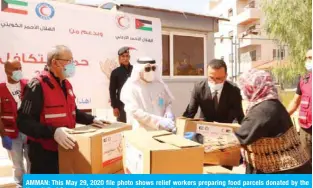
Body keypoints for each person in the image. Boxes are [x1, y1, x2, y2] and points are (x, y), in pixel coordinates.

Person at [17, 45, 105, 174]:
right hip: (44, 153)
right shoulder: (37, 85)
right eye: (69, 61)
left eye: (72, 61)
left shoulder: (66, 84)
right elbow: (23, 122)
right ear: (55, 62)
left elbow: (73, 112)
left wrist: (92, 119)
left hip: (66, 150)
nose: (72, 65)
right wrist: (53, 132)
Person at [235, 69, 311, 174]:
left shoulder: (264, 109)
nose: (243, 91)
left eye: (245, 87)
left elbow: (241, 136)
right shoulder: (270, 103)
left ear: (253, 87)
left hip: (283, 171)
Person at [120, 57, 175, 132]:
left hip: (161, 131)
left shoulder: (159, 85)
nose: (151, 71)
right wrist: (158, 121)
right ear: (139, 70)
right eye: (147, 69)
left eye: (153, 68)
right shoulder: (131, 87)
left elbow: (166, 102)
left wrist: (168, 111)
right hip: (142, 132)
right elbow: (134, 111)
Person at [183, 59, 244, 123]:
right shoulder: (199, 88)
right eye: (211, 78)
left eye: (218, 78)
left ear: (225, 76)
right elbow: (189, 113)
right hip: (205, 127)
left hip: (225, 128)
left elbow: (239, 116)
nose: (214, 82)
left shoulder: (234, 90)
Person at [0, 59, 30, 186]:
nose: (19, 71)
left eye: (20, 68)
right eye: (15, 69)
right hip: (11, 135)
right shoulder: (1, 89)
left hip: (29, 132)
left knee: (32, 161)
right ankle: (20, 184)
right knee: (17, 165)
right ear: (7, 71)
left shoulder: (28, 85)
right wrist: (3, 135)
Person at [288, 49, 312, 163]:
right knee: (305, 164)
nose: (308, 61)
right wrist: (281, 116)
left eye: (311, 58)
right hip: (305, 130)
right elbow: (295, 101)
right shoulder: (304, 80)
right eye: (307, 58)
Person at [109, 47, 133, 123]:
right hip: (121, 105)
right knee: (123, 127)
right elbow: (112, 91)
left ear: (129, 57)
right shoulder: (115, 72)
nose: (125, 58)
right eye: (123, 56)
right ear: (119, 58)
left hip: (134, 104)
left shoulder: (135, 70)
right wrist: (115, 107)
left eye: (127, 56)